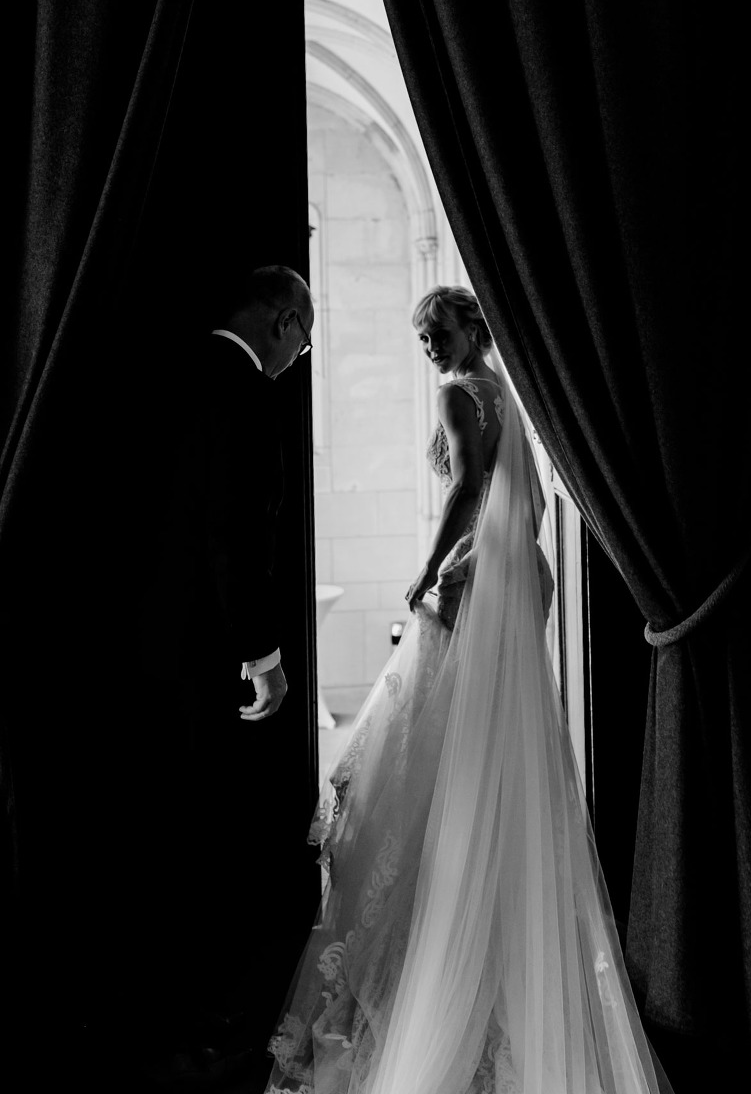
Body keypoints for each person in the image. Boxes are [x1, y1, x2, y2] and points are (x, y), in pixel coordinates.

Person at [262, 286, 671, 1094]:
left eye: (435, 334)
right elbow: (525, 507)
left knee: (422, 764)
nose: (429, 351)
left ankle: (434, 962)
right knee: (489, 764)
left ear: (470, 328)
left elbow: (467, 490)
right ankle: (480, 959)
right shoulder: (510, 395)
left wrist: (425, 573)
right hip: (506, 583)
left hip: (468, 587)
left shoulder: (459, 395)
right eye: (420, 341)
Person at [136, 264, 314, 1085]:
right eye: (304, 341)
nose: (298, 359)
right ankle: (191, 1023)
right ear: (284, 319)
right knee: (196, 827)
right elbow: (238, 534)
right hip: (201, 653)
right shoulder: (243, 391)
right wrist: (263, 656)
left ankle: (175, 1010)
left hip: (142, 643)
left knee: (165, 826)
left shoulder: (166, 369)